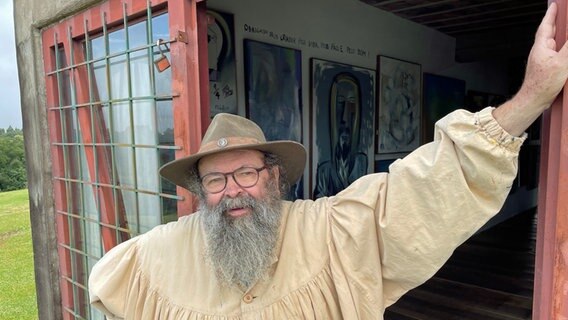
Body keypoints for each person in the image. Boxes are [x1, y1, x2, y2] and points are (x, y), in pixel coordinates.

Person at [88, 3, 568, 319]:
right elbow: (109, 285)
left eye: (247, 172)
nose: (232, 189)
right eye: (215, 179)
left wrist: (530, 97)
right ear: (200, 189)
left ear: (273, 176)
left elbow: (420, 190)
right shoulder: (159, 252)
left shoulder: (331, 231)